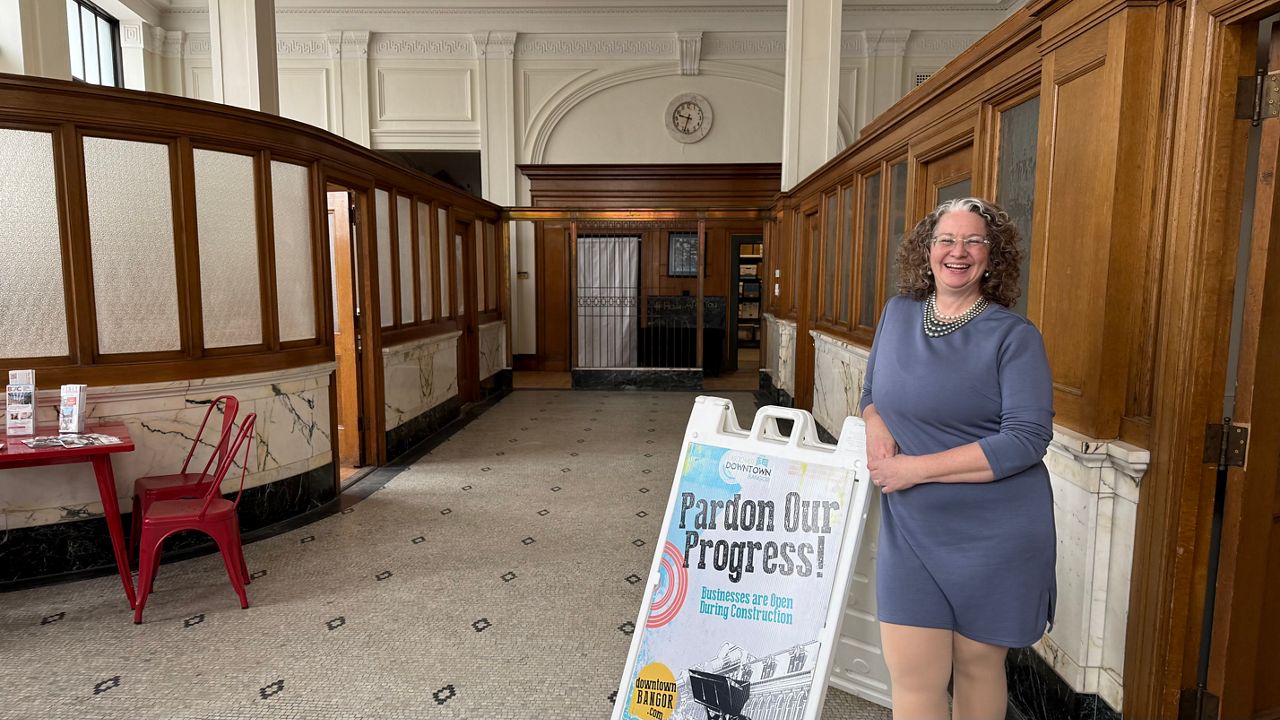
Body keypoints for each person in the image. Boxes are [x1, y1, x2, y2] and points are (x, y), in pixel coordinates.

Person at [859, 197, 1055, 719]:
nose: (958, 251)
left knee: (976, 667)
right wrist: (876, 425)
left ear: (993, 256)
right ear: (927, 251)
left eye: (974, 241)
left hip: (994, 534)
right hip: (911, 530)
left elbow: (1027, 439)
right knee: (913, 675)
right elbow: (871, 392)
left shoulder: (1014, 337)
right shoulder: (897, 314)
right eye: (946, 239)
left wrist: (912, 470)